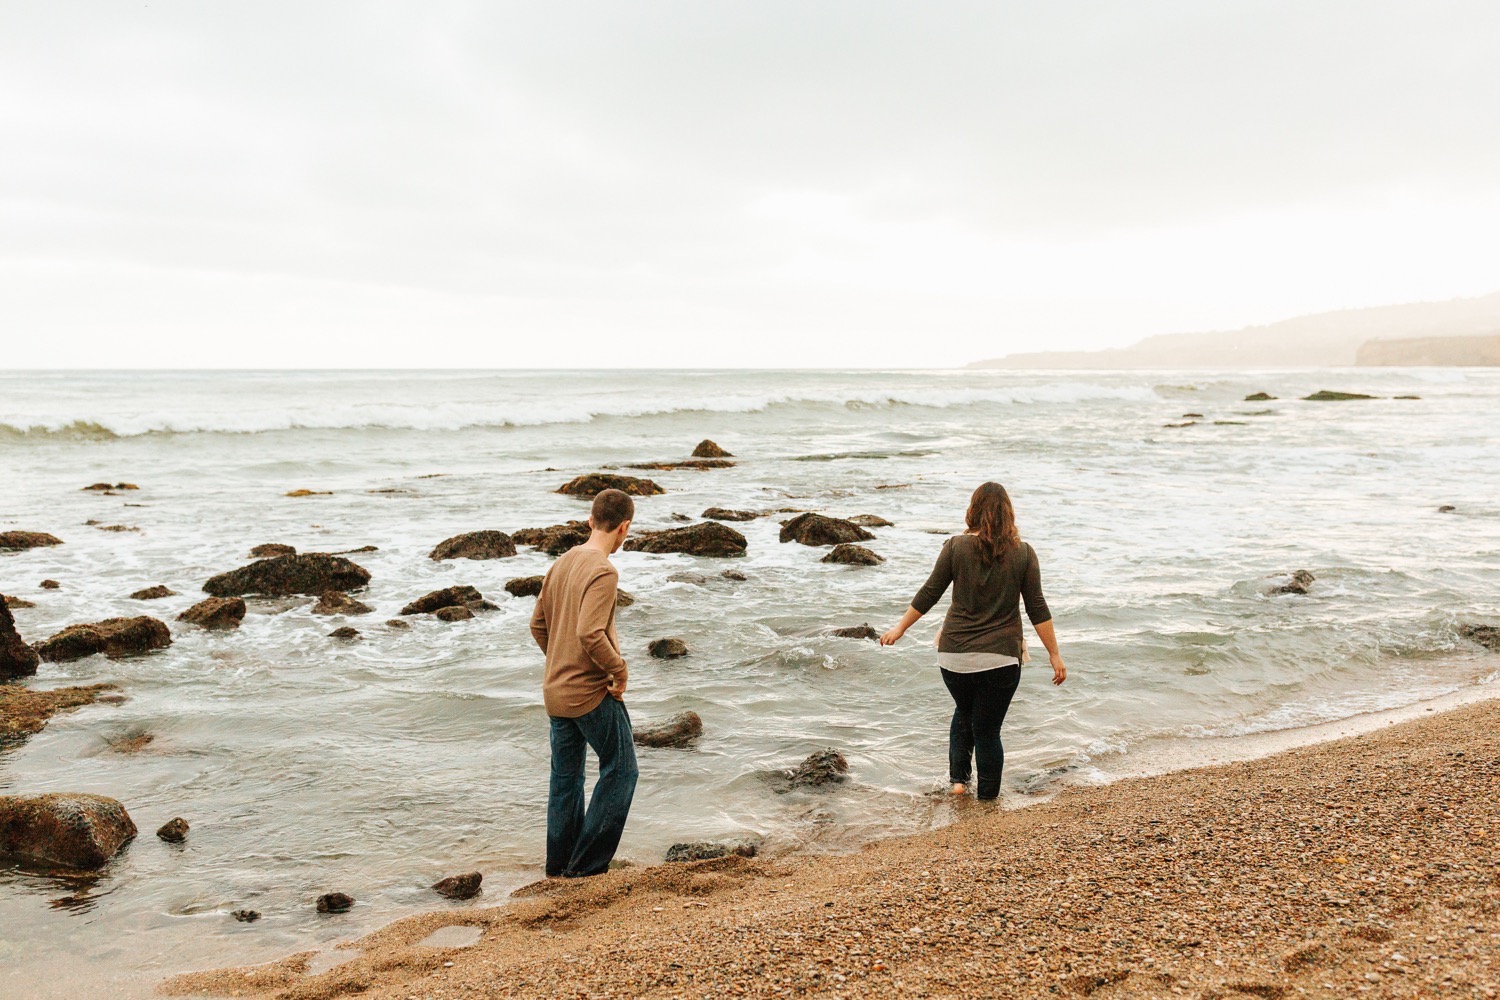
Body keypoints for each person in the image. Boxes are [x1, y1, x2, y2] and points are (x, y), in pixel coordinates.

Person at [880, 481, 1065, 800]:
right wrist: (1054, 655)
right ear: (1009, 513)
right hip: (1001, 660)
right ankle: (988, 801)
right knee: (988, 730)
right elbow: (1037, 606)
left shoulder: (955, 546)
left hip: (954, 658)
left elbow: (930, 592)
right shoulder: (1023, 553)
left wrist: (900, 628)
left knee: (964, 711)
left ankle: (958, 784)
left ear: (973, 510)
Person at [530, 488, 638, 877]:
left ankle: (559, 867)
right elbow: (591, 634)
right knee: (622, 770)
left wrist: (560, 662)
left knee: (566, 779)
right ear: (624, 527)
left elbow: (537, 625)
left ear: (590, 520)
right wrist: (619, 671)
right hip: (589, 694)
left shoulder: (561, 562)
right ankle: (587, 866)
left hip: (555, 692)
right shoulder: (604, 570)